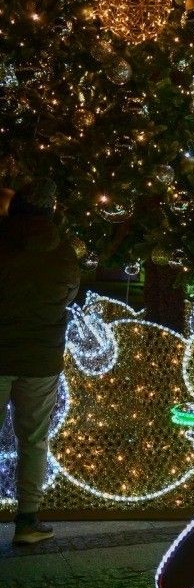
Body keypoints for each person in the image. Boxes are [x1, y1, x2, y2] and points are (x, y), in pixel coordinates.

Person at [0, 179, 80, 545]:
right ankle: (27, 521)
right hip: (41, 359)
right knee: (33, 439)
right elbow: (69, 292)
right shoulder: (63, 251)